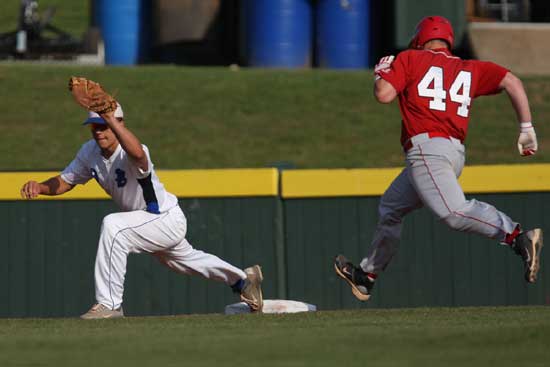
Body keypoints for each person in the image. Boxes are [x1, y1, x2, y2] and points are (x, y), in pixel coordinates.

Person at [334, 16, 543, 301]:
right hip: (453, 153)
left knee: (453, 213)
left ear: (420, 40)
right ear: (448, 41)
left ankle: (517, 236)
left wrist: (381, 72)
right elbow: (512, 81)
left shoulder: (410, 58)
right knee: (391, 207)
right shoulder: (468, 67)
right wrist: (526, 127)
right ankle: (367, 275)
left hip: (427, 151)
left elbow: (384, 95)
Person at [20, 103, 264, 318]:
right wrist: (39, 187)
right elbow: (66, 181)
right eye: (94, 126)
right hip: (145, 223)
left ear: (118, 123)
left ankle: (109, 304)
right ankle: (242, 281)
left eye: (103, 125)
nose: (99, 131)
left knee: (114, 226)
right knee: (186, 261)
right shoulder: (89, 152)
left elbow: (136, 152)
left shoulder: (134, 149)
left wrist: (112, 121)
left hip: (162, 217)